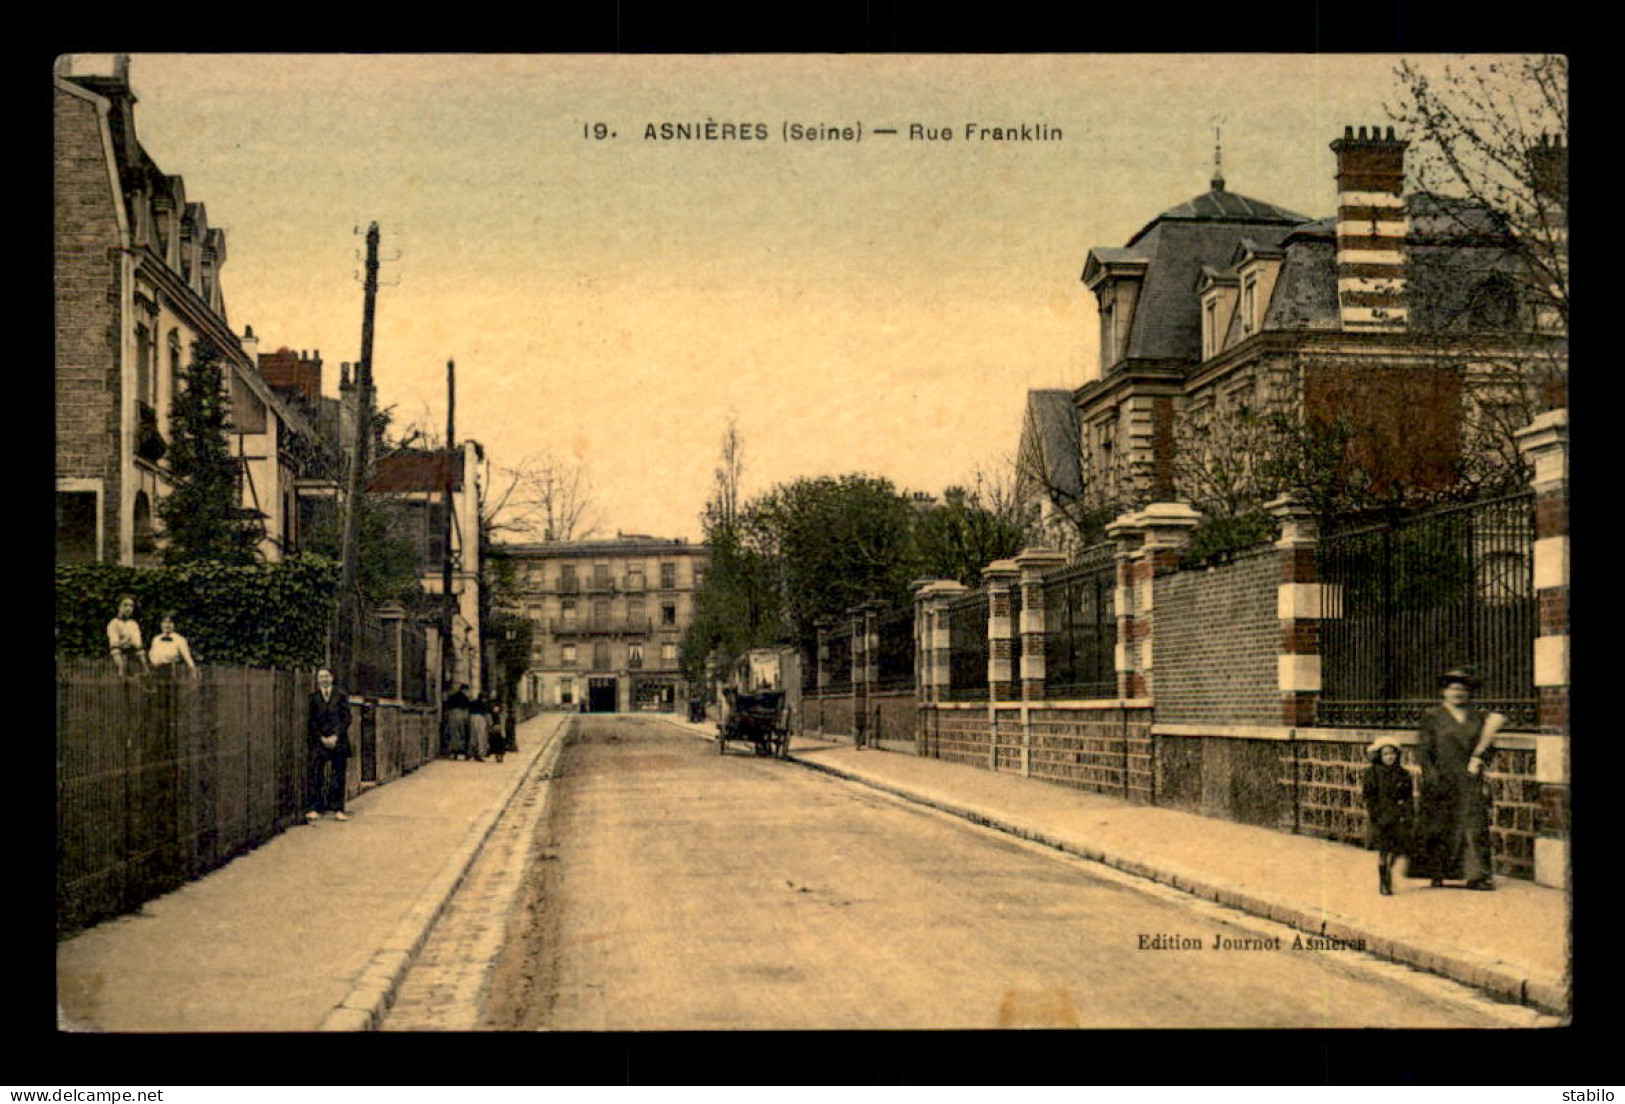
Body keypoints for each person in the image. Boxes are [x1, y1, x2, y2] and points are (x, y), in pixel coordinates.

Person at [1406, 669, 1506, 891]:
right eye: (1453, 689)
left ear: (1469, 693)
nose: (1458, 693)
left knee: (1474, 826)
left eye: (1462, 689)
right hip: (1441, 779)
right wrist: (1431, 777)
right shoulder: (1432, 717)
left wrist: (1480, 760)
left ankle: (1477, 875)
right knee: (1440, 827)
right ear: (1444, 692)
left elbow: (1489, 746)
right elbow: (1424, 750)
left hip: (1470, 780)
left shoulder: (1479, 718)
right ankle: (1437, 872)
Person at [1361, 735, 1414, 896]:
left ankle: (1389, 871)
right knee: (1384, 851)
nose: (1390, 757)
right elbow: (1369, 797)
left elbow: (1408, 796)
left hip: (1398, 817)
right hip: (1382, 818)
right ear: (1379, 756)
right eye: (1385, 754)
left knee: (1396, 849)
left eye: (1392, 754)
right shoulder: (1373, 774)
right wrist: (1375, 815)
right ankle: (1384, 881)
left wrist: (1407, 812)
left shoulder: (1403, 774)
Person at [306, 668, 352, 822]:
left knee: (338, 775)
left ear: (332, 678)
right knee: (316, 774)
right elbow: (311, 721)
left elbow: (346, 718)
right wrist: (321, 737)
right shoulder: (314, 697)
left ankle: (338, 809)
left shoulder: (341, 696)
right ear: (317, 679)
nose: (323, 679)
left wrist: (335, 736)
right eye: (321, 677)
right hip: (319, 742)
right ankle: (314, 808)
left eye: (326, 676)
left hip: (338, 741)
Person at [147, 612, 198, 677]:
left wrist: (193, 671)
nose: (167, 625)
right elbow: (151, 655)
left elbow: (187, 657)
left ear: (174, 625)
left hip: (173, 673)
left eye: (170, 623)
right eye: (164, 622)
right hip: (156, 673)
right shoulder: (156, 639)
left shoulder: (180, 640)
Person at [107, 595, 147, 676]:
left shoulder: (134, 624)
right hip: (117, 659)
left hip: (133, 658)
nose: (128, 609)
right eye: (125, 605)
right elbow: (114, 646)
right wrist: (121, 667)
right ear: (119, 607)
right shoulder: (114, 623)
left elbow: (138, 644)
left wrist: (144, 666)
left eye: (131, 606)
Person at [443, 683, 471, 759]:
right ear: (464, 690)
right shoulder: (464, 698)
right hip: (461, 715)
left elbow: (447, 706)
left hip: (452, 715)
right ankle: (462, 751)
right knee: (462, 734)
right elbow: (466, 708)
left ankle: (454, 751)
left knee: (454, 734)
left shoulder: (452, 697)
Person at [467, 693, 490, 762]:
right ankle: (479, 754)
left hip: (472, 718)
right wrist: (490, 723)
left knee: (472, 736)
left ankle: (470, 753)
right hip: (480, 719)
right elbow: (486, 714)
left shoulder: (472, 703)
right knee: (481, 737)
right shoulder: (484, 704)